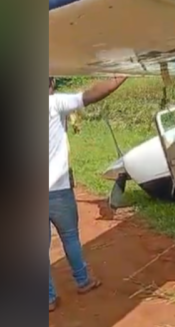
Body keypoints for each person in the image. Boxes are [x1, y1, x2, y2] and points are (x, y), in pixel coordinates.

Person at [49, 75, 128, 312]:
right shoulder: (53, 103)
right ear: (51, 85)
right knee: (70, 237)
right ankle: (83, 281)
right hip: (58, 190)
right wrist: (118, 78)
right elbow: (89, 96)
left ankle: (48, 298)